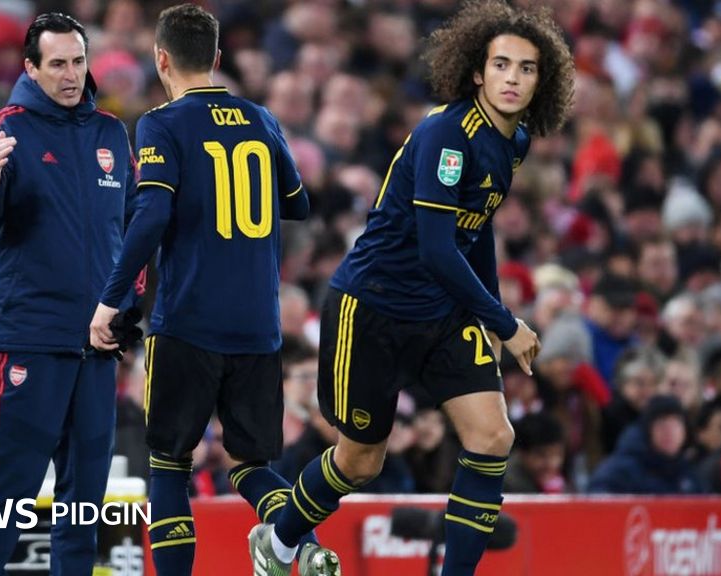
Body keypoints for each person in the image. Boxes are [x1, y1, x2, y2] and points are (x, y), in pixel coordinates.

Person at [245, 2, 575, 575]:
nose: (513, 78)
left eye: (527, 68)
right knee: (361, 461)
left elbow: (478, 228)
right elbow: (437, 249)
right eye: (501, 65)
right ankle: (278, 541)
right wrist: (504, 323)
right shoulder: (447, 133)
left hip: (443, 314)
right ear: (478, 72)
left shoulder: (514, 141)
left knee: (493, 437)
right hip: (372, 308)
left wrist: (489, 314)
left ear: (540, 82)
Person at [87, 4, 332, 575]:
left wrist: (111, 297)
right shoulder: (261, 119)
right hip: (259, 326)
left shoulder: (161, 124)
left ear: (161, 59)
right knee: (250, 466)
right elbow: (298, 203)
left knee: (170, 465)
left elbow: (151, 215)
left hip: (189, 321)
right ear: (218, 58)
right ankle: (305, 547)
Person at [0, 12, 137, 576]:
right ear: (31, 68)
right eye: (57, 64)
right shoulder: (6, 126)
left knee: (84, 504)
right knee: (3, 494)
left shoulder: (111, 133)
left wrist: (126, 304)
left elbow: (135, 228)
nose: (71, 74)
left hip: (96, 347)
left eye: (78, 61)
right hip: (30, 339)